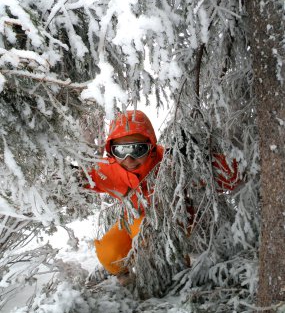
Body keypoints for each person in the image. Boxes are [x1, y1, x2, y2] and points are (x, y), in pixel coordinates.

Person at [85, 110, 240, 280]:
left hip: (171, 224)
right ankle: (128, 280)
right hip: (133, 221)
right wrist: (71, 176)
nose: (128, 158)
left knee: (144, 232)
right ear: (111, 151)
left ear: (150, 147)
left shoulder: (171, 161)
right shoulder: (110, 169)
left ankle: (173, 273)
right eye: (121, 150)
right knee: (109, 252)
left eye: (137, 149)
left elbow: (231, 176)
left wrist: (203, 157)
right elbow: (85, 177)